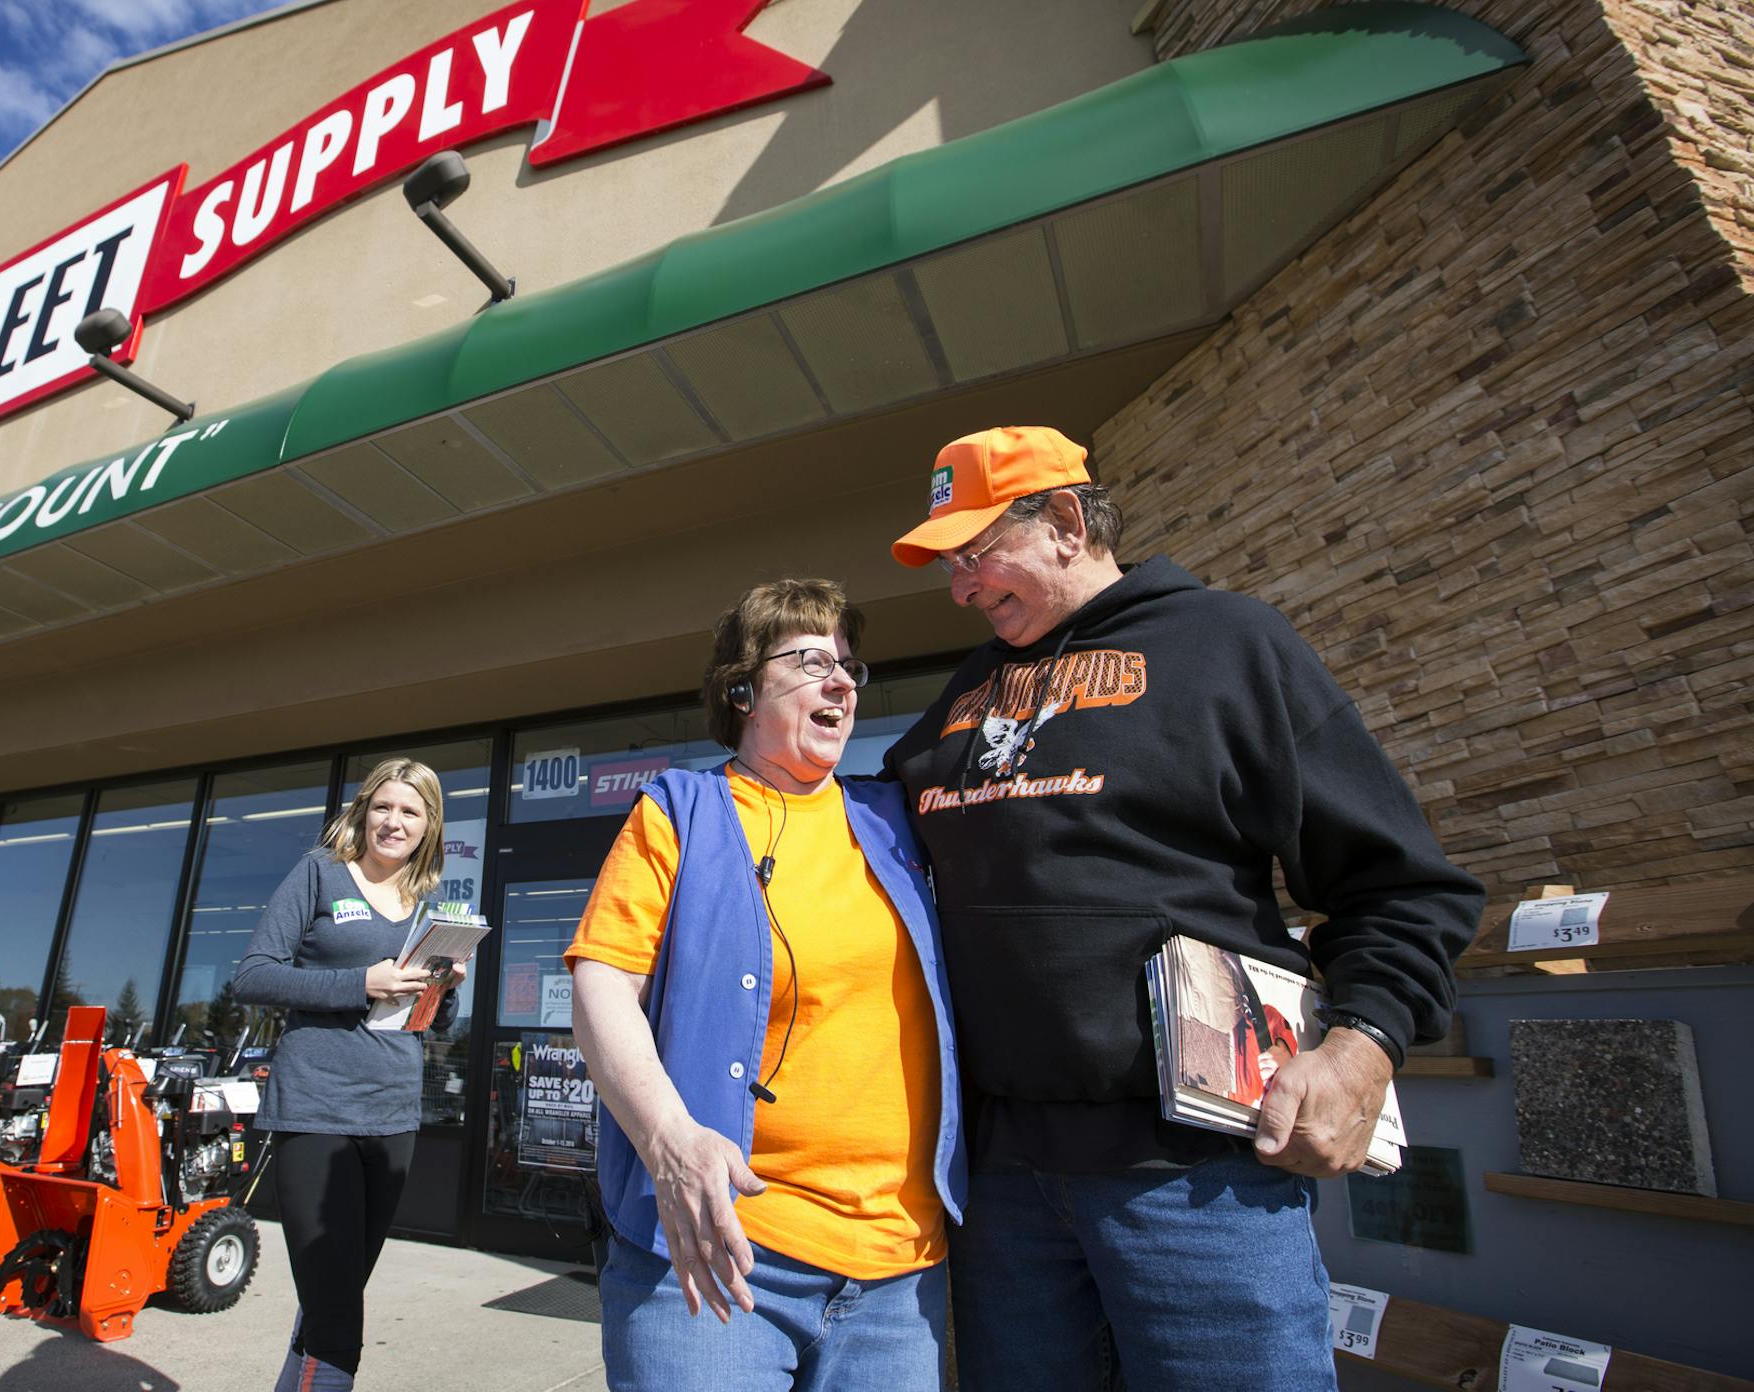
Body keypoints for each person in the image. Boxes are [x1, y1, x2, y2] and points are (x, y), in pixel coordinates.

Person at [882, 426, 1485, 1392]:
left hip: (1200, 1182)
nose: (961, 586)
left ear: (1067, 521)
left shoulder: (1230, 645)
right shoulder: (964, 695)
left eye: (976, 551)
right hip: (1003, 1193)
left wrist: (1363, 1045)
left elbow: (1401, 884)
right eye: (949, 564)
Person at [567, 579, 966, 1392]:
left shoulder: (897, 822)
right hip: (718, 1259)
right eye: (813, 660)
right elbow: (603, 985)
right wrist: (668, 1139)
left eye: (851, 665)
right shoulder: (680, 810)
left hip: (899, 1274)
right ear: (743, 689)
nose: (843, 681)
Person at [233, 758, 466, 1392]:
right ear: (363, 811)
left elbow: (425, 1023)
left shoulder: (429, 902)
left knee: (330, 1298)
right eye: (384, 807)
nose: (394, 822)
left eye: (411, 812)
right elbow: (251, 976)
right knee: (339, 1319)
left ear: (429, 826)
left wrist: (444, 990)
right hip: (315, 1109)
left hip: (392, 1114)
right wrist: (360, 981)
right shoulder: (320, 873)